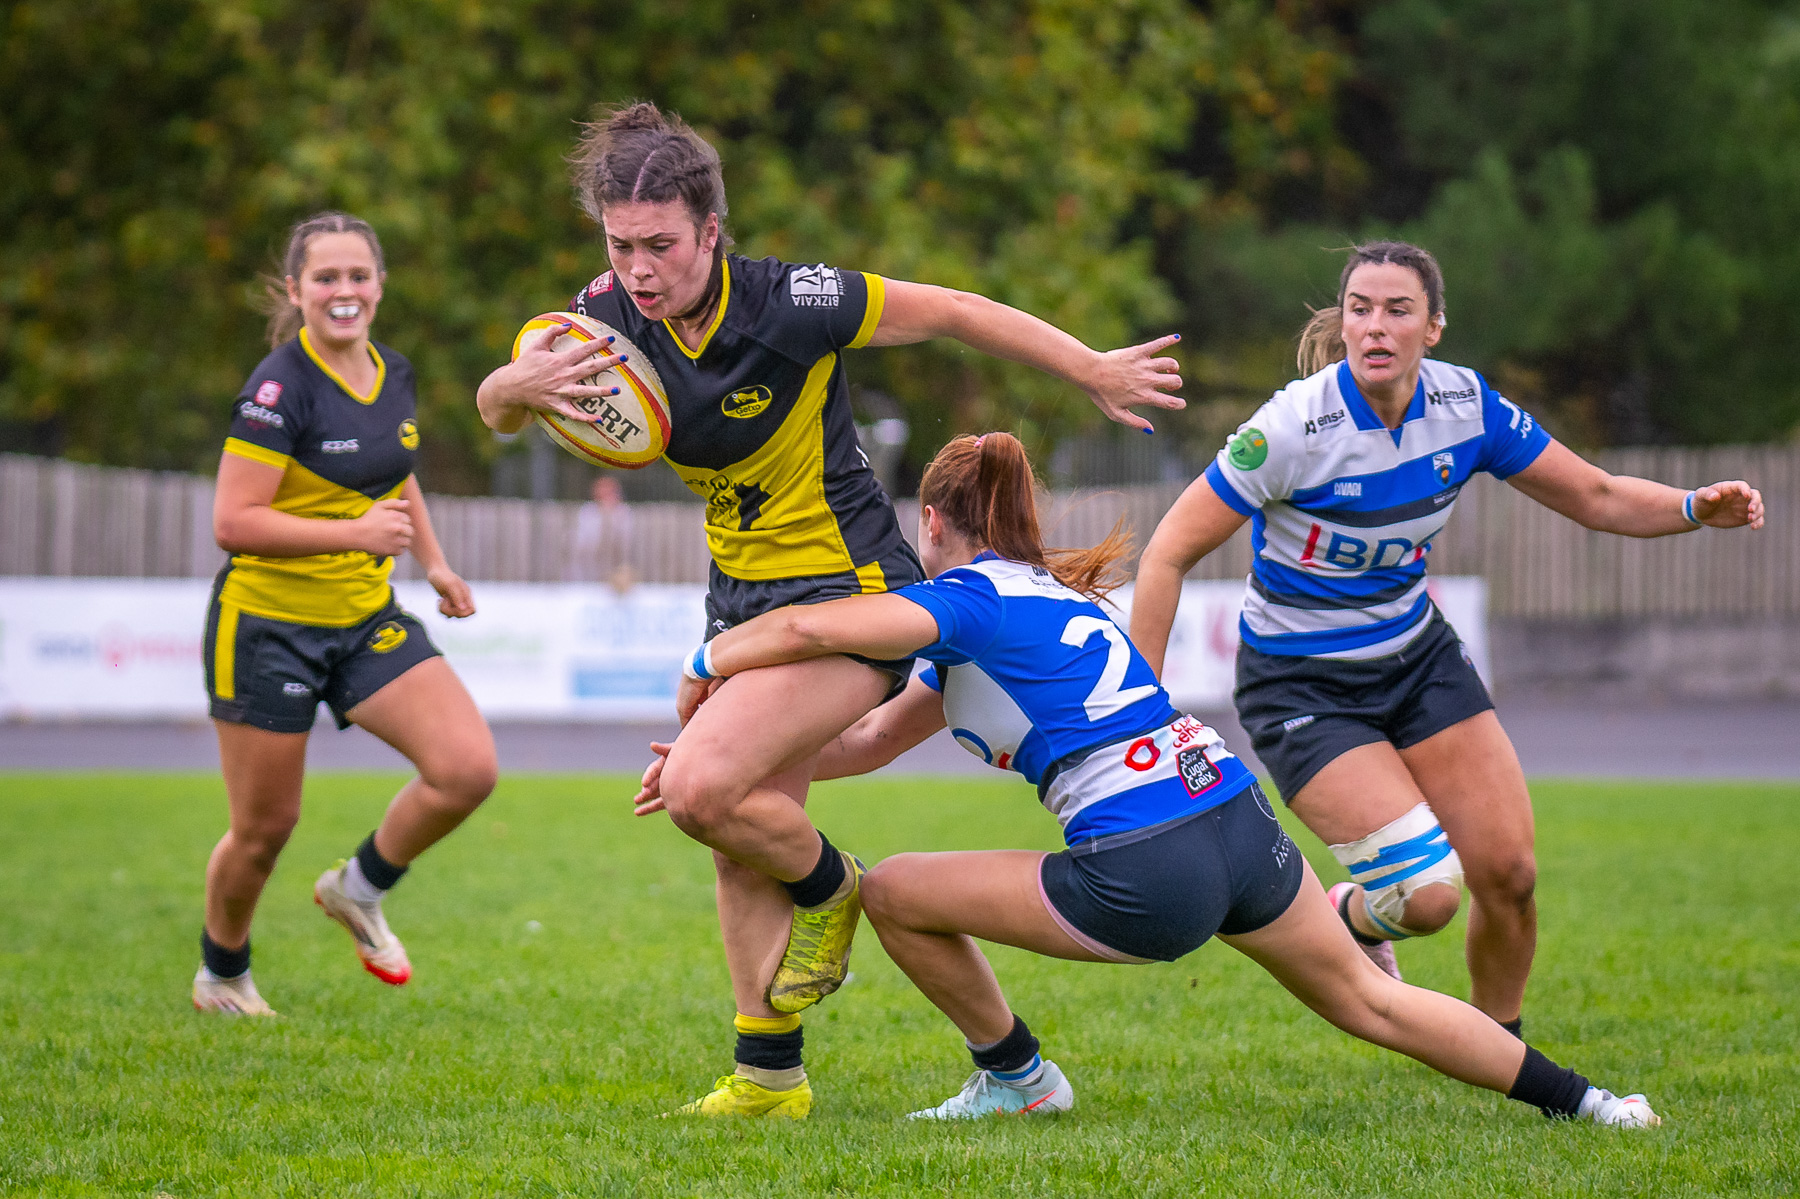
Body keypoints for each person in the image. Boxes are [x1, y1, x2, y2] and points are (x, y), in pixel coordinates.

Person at [476, 102, 1183, 1117]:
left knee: (703, 787)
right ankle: (771, 1074)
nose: (640, 267)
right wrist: (513, 382)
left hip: (851, 591)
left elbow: (951, 311)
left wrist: (1090, 367)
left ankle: (835, 892)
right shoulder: (603, 319)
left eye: (662, 245)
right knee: (735, 827)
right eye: (620, 243)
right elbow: (501, 410)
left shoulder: (790, 301)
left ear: (712, 231)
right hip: (741, 595)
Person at [637, 432, 1660, 1127]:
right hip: (1230, 812)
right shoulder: (1046, 598)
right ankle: (1593, 1104)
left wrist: (705, 668)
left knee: (895, 886)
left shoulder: (963, 599)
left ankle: (1019, 1078)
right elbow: (859, 743)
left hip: (1149, 862)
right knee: (1370, 1002)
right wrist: (725, 761)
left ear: (935, 524)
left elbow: (813, 623)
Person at [1129, 241, 1764, 1030]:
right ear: (1344, 321)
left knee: (1511, 872)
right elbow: (1167, 553)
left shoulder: (1468, 408)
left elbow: (1597, 495)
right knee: (1428, 898)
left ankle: (1501, 1046)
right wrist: (1142, 713)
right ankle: (1356, 915)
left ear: (1433, 327)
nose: (1375, 326)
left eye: (1398, 310)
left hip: (1419, 657)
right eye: (1360, 308)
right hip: (1300, 685)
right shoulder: (1291, 428)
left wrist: (1692, 506)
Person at [194, 212, 498, 1015]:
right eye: (325, 278)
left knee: (466, 769)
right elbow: (233, 520)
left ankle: (357, 888)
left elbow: (395, 474)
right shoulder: (277, 387)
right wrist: (352, 532)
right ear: (295, 291)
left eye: (358, 275)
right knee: (263, 831)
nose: (344, 291)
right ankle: (221, 973)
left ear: (380, 285)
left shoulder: (392, 371)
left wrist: (432, 562)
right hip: (267, 628)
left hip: (364, 616)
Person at [569, 474, 635, 587]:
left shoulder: (623, 511)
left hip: (616, 564)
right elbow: (585, 539)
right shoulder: (588, 511)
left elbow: (626, 540)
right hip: (589, 564)